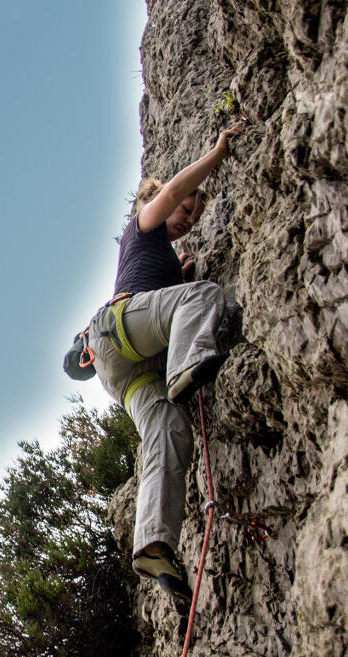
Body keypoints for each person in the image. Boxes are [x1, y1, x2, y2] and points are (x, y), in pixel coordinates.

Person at [81, 125, 244, 606]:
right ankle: (187, 368)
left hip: (128, 371)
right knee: (205, 297)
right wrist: (217, 151)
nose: (189, 217)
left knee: (170, 432)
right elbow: (172, 188)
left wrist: (180, 272)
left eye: (195, 215)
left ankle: (154, 543)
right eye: (187, 208)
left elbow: (166, 292)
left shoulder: (162, 259)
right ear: (156, 202)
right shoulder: (142, 224)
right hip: (121, 326)